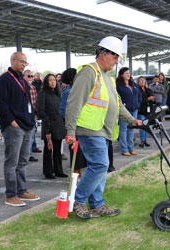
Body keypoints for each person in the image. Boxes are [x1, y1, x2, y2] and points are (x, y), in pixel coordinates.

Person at [65, 36, 142, 219]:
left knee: (97, 166)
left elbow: (117, 104)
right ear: (104, 54)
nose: (116, 62)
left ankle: (97, 205)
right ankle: (79, 200)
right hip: (90, 128)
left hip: (102, 130)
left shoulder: (107, 77)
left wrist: (132, 120)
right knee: (101, 164)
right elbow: (74, 102)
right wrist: (70, 130)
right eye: (115, 58)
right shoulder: (88, 73)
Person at [0, 52, 40, 207]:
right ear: (12, 60)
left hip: (27, 125)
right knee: (11, 162)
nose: (24, 65)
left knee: (23, 161)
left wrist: (31, 119)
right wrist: (12, 122)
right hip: (14, 127)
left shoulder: (22, 79)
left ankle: (21, 190)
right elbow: (0, 104)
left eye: (26, 63)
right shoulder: (4, 80)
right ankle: (11, 195)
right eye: (22, 62)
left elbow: (28, 102)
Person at [37, 74, 67, 179]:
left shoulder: (58, 93)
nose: (53, 82)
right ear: (46, 82)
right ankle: (48, 172)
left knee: (58, 149)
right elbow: (40, 111)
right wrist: (47, 122)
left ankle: (59, 170)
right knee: (48, 148)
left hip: (58, 124)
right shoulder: (42, 93)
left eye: (54, 80)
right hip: (48, 124)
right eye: (50, 80)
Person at [60, 68, 87, 178]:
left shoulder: (79, 90)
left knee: (81, 152)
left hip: (82, 124)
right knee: (76, 152)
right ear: (72, 79)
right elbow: (62, 111)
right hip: (74, 126)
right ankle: (76, 176)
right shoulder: (68, 92)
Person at [116, 67, 141, 156]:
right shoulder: (118, 85)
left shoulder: (133, 84)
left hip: (134, 109)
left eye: (129, 73)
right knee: (123, 129)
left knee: (131, 129)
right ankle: (124, 149)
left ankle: (131, 148)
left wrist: (138, 103)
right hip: (124, 111)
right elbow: (116, 96)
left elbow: (138, 94)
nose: (128, 75)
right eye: (126, 73)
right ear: (122, 75)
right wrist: (122, 104)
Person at [23, 69, 41, 162]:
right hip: (22, 115)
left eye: (31, 76)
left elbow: (35, 103)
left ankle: (29, 154)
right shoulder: (20, 87)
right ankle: (25, 154)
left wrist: (35, 114)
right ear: (23, 77)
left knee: (31, 136)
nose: (30, 78)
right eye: (28, 76)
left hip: (31, 115)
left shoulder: (33, 88)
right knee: (25, 137)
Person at [137, 76, 155, 148]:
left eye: (143, 80)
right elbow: (140, 99)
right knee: (142, 126)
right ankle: (142, 140)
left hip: (148, 110)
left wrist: (153, 99)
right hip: (141, 110)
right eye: (140, 80)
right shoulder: (137, 90)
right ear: (138, 82)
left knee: (147, 126)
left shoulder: (148, 90)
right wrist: (148, 99)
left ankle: (145, 140)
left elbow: (153, 97)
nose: (142, 82)